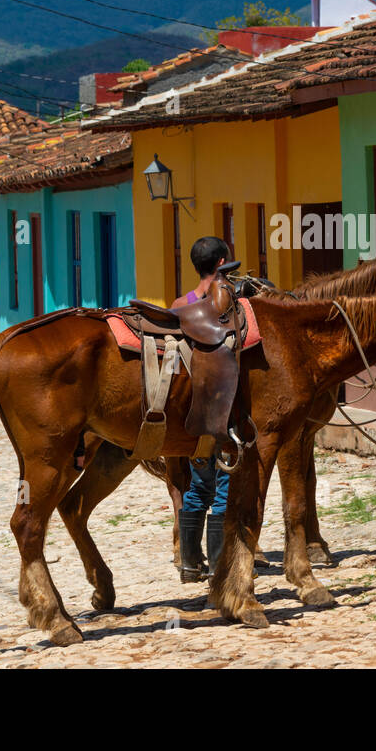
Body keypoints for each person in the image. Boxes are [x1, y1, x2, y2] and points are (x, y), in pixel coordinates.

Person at [171, 236, 231, 583]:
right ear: (223, 263)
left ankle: (190, 564)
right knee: (225, 487)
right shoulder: (229, 304)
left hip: (191, 415)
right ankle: (222, 567)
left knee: (198, 487)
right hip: (223, 414)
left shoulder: (182, 305)